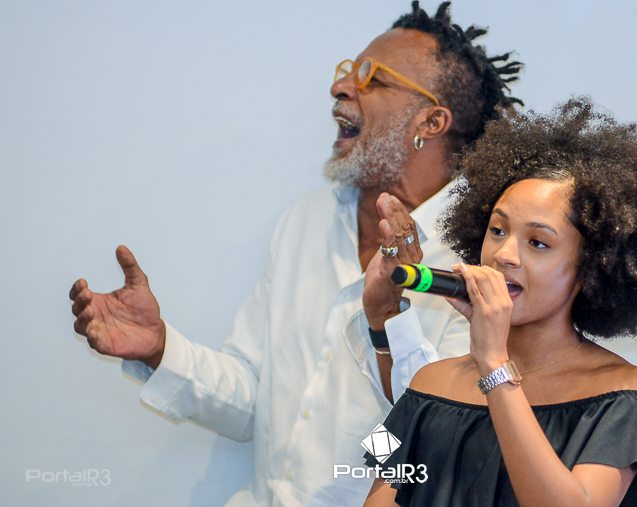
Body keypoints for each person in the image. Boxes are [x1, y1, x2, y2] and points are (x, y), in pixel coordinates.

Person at [68, 2, 523, 506]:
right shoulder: (305, 220)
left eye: (371, 77)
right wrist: (159, 348)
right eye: (347, 71)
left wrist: (354, 467)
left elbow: (442, 434)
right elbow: (253, 397)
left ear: (431, 121)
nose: (340, 87)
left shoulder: (482, 257)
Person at [363, 98, 637, 507]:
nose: (504, 255)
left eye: (538, 242)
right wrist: (383, 314)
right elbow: (373, 485)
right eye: (497, 230)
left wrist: (494, 364)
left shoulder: (628, 395)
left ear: (592, 267)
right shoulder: (425, 383)